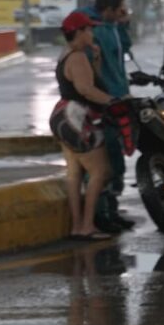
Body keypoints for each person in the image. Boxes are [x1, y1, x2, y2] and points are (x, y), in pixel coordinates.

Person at [49, 12, 117, 241]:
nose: (92, 33)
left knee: (75, 173)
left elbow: (88, 80)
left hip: (63, 116)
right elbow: (86, 89)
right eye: (88, 29)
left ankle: (77, 226)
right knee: (100, 171)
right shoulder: (77, 57)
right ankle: (87, 226)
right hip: (77, 118)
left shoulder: (68, 54)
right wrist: (114, 102)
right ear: (78, 32)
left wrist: (95, 59)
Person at [80, 0, 135, 232]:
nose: (122, 11)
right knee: (105, 158)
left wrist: (124, 24)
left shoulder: (111, 27)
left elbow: (124, 48)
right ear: (109, 9)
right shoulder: (94, 30)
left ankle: (111, 210)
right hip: (103, 101)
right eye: (120, 8)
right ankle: (102, 214)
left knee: (117, 158)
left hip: (118, 99)